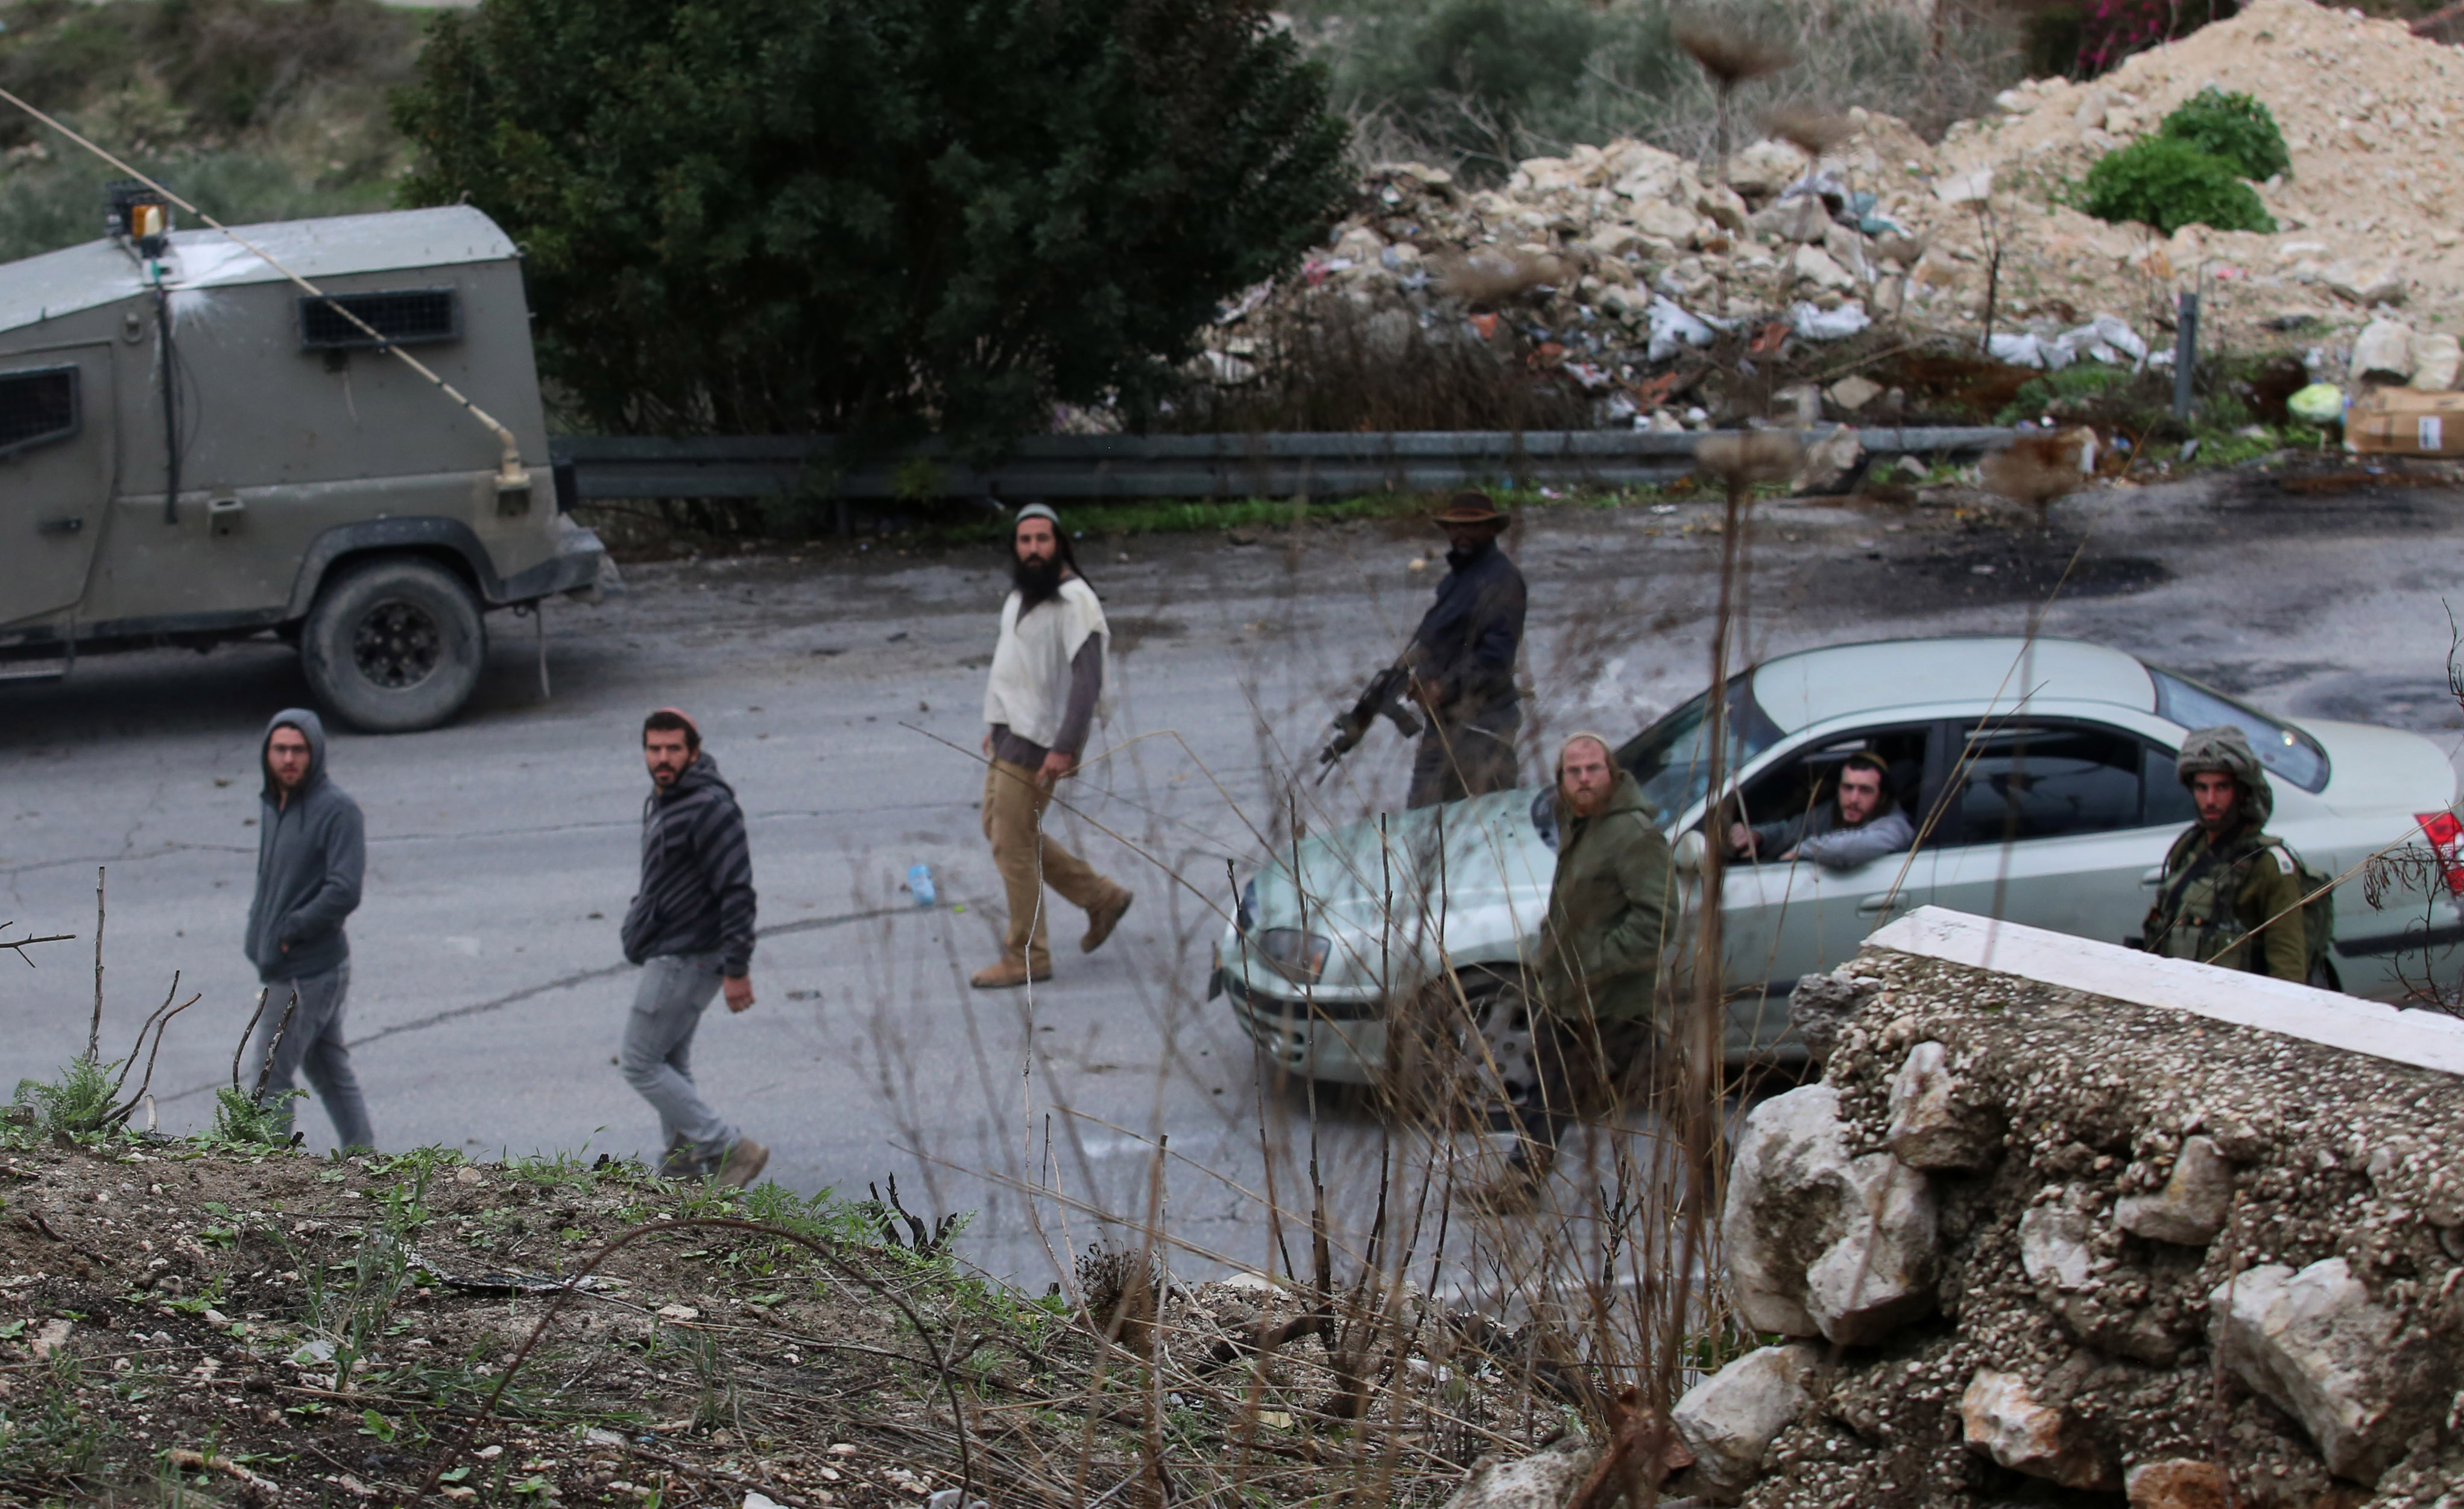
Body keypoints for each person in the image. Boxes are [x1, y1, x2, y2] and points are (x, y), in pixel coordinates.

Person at [1474, 733, 1676, 1211]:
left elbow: (1658, 921)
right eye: (1574, 772)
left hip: (1614, 1002)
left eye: (1593, 770)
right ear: (1562, 781)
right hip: (1569, 995)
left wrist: (1594, 965)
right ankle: (1520, 1185)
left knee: (1672, 1095)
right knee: (1550, 1092)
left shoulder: (1633, 835)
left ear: (1613, 774)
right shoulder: (1582, 825)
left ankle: (1720, 1178)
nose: (1584, 779)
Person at [974, 503, 1134, 989]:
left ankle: (1028, 955)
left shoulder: (1075, 601)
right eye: (1025, 541)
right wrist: (997, 722)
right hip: (1011, 734)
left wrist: (1065, 748)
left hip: (1042, 742)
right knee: (1000, 829)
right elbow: (1016, 665)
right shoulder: (1025, 593)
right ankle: (1100, 897)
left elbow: (1087, 683)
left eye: (1043, 540)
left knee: (1012, 843)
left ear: (1060, 543)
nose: (1033, 549)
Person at [619, 708, 768, 1186]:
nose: (662, 758)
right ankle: (683, 1158)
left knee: (640, 1063)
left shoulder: (709, 807)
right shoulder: (669, 797)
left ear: (694, 751)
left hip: (688, 955)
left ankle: (730, 1148)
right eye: (654, 748)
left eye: (673, 749)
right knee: (669, 1059)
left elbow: (737, 890)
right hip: (673, 946)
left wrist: (738, 969)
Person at [244, 708, 374, 1152]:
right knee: (329, 1069)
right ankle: (365, 1158)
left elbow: (344, 891)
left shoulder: (337, 811)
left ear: (315, 753)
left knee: (270, 1075)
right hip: (287, 962)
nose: (288, 759)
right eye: (279, 749)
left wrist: (290, 930)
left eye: (298, 750)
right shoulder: (275, 804)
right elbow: (273, 880)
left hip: (308, 969)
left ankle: (271, 1174)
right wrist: (257, 932)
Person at [2142, 726, 2311, 981]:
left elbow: (2288, 970)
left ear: (2241, 791)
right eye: (2202, 788)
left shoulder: (2268, 864)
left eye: (2221, 787)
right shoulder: (2188, 847)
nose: (2210, 800)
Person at [1403, 492, 1527, 809]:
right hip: (1442, 725)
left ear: (1491, 531)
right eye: (1455, 529)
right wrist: (1416, 679)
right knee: (1421, 823)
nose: (1461, 536)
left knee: (1492, 822)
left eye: (1471, 528)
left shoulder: (1504, 580)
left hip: (1483, 725)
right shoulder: (1454, 581)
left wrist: (1443, 688)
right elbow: (1435, 642)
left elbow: (1496, 657)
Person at [1728, 752, 1913, 870]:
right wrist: (1758, 835)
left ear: (1882, 797)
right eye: (1847, 788)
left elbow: (1849, 848)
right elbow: (1791, 831)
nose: (1854, 799)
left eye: (1865, 790)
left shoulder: (1895, 825)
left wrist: (1805, 850)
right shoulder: (1831, 812)